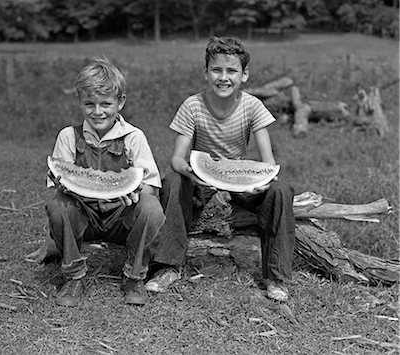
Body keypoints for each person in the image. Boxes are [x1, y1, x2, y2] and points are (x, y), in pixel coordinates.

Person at [158, 36, 296, 302]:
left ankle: (275, 276)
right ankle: (167, 267)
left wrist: (263, 181)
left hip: (240, 182)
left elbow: (268, 162)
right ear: (206, 73)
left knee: (281, 190)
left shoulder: (252, 106)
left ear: (244, 75)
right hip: (200, 180)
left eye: (232, 71)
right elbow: (177, 158)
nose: (224, 77)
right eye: (216, 70)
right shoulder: (192, 105)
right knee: (172, 181)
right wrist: (189, 171)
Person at [44, 57, 180, 307]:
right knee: (57, 203)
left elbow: (149, 183)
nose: (98, 112)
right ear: (80, 103)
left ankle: (134, 275)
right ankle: (73, 276)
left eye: (106, 104)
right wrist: (65, 186)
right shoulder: (68, 136)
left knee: (150, 207)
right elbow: (57, 183)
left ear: (121, 102)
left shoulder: (133, 137)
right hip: (84, 218)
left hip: (121, 218)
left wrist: (136, 192)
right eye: (89, 104)